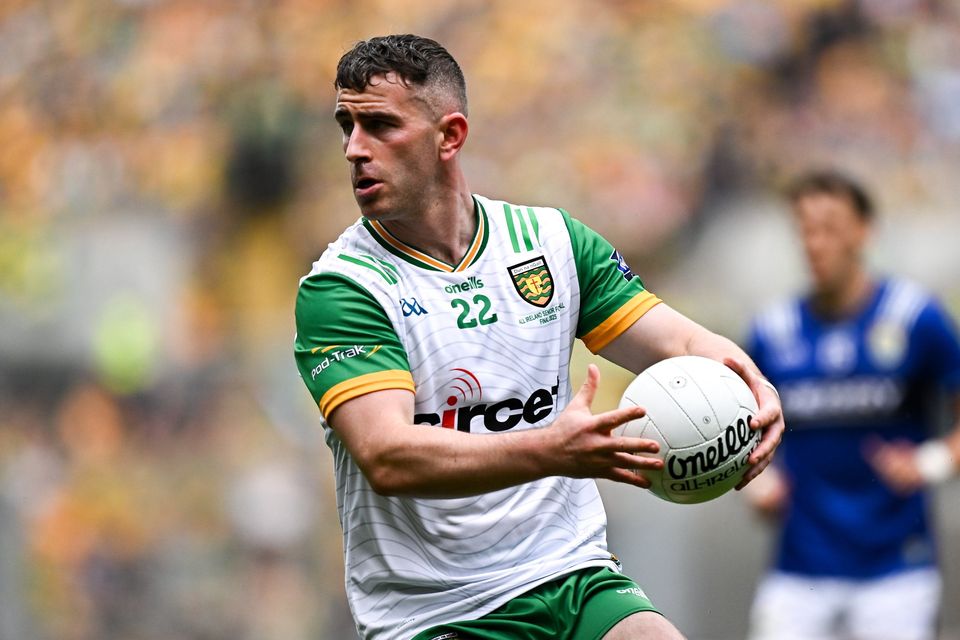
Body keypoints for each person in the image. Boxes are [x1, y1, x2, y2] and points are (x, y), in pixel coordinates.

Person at [293, 34, 784, 640]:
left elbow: (682, 344)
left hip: (571, 576)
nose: (354, 149)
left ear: (450, 136)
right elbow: (389, 456)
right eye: (347, 125)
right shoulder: (344, 288)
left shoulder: (549, 242)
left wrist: (752, 385)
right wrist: (555, 450)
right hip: (436, 613)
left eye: (380, 126)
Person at [744, 170, 960, 640]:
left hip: (896, 567)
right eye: (805, 228)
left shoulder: (915, 318)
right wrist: (757, 481)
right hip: (799, 569)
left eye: (830, 227)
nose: (815, 242)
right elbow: (738, 432)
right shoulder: (772, 331)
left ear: (865, 231)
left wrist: (932, 461)